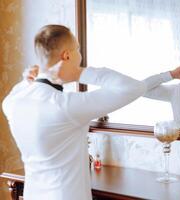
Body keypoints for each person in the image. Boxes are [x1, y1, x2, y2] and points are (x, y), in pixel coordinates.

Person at [2, 24, 146, 200]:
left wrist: (28, 79)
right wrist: (80, 73)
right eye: (77, 48)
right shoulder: (66, 106)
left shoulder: (12, 102)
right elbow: (135, 88)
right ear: (67, 55)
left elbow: (22, 88)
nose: (80, 54)